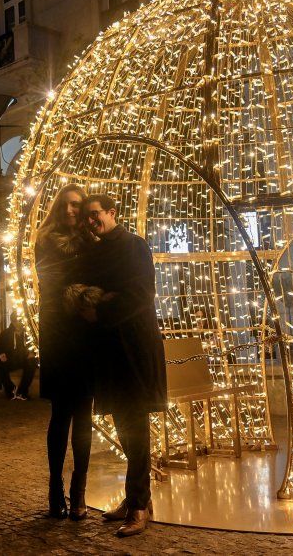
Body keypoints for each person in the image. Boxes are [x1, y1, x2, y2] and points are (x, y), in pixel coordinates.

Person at [75, 194, 166, 537]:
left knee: (135, 427)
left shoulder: (134, 246)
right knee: (125, 426)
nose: (90, 221)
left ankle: (140, 507)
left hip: (135, 349)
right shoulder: (97, 251)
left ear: (113, 212)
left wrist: (100, 310)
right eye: (86, 216)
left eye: (95, 214)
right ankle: (136, 499)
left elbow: (140, 294)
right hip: (112, 351)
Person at [34, 183, 93, 520]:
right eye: (67, 205)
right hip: (58, 334)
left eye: (77, 206)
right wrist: (85, 296)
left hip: (86, 337)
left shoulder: (91, 242)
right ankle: (55, 490)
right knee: (61, 416)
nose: (71, 210)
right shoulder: (46, 242)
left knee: (84, 416)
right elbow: (51, 286)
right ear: (58, 207)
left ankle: (79, 492)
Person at [0, 316, 37, 400]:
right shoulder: (6, 333)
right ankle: (11, 389)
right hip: (11, 359)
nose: (21, 324)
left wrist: (31, 353)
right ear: (13, 322)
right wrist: (1, 354)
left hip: (24, 359)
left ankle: (22, 391)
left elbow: (32, 346)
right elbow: (0, 347)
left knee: (32, 362)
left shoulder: (27, 333)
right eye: (19, 322)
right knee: (1, 364)